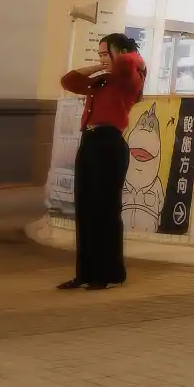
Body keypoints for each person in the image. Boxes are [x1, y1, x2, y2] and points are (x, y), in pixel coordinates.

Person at [56, 34, 147, 290]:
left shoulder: (130, 77)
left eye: (106, 53)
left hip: (109, 143)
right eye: (99, 54)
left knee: (105, 210)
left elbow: (129, 62)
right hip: (89, 141)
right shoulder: (103, 79)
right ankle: (84, 273)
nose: (102, 58)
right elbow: (69, 81)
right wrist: (99, 65)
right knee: (85, 208)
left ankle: (108, 273)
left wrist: (119, 56)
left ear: (121, 53)